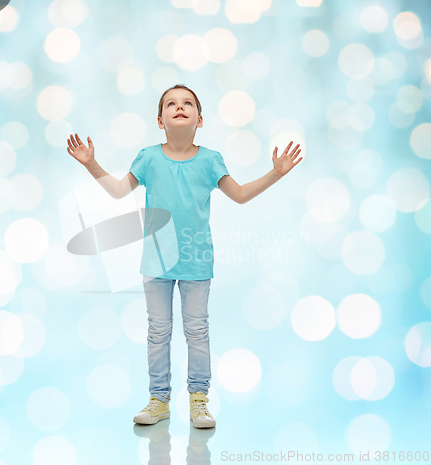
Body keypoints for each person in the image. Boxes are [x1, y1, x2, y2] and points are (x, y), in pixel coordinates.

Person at [66, 84, 303, 429]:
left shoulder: (210, 160)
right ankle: (158, 400)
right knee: (158, 331)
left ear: (200, 119)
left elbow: (238, 195)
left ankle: (199, 401)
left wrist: (276, 173)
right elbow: (119, 191)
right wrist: (92, 164)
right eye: (171, 104)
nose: (180, 107)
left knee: (196, 331)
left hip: (196, 262)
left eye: (188, 103)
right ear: (160, 120)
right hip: (156, 263)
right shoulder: (148, 157)